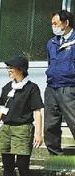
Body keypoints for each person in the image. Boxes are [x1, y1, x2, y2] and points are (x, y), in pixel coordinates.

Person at [44, 10, 75, 157]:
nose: (53, 26)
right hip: (51, 87)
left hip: (69, 88)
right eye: (52, 24)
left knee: (73, 122)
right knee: (50, 126)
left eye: (55, 23)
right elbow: (51, 63)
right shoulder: (51, 42)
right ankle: (55, 157)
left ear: (66, 23)